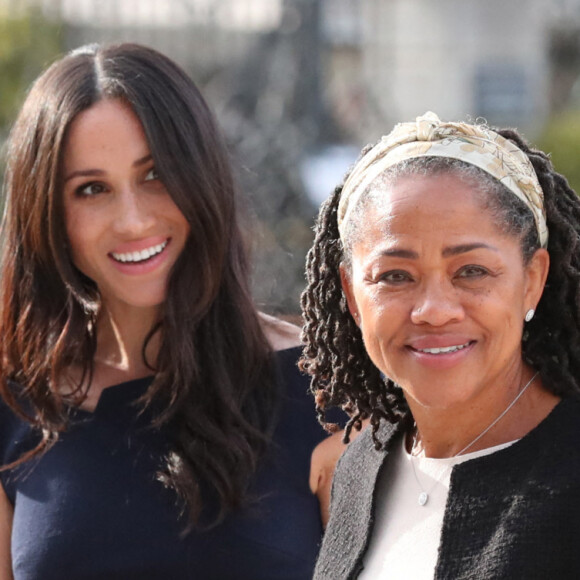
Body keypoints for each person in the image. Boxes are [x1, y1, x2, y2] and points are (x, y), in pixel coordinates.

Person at [0, 42, 334, 580]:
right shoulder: (18, 403)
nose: (131, 221)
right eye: (91, 189)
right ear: (49, 215)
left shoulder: (322, 390)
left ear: (201, 175)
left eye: (154, 174)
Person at [300, 111, 580, 578]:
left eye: (472, 271)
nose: (433, 309)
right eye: (394, 276)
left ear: (532, 280)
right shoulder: (360, 469)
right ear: (352, 295)